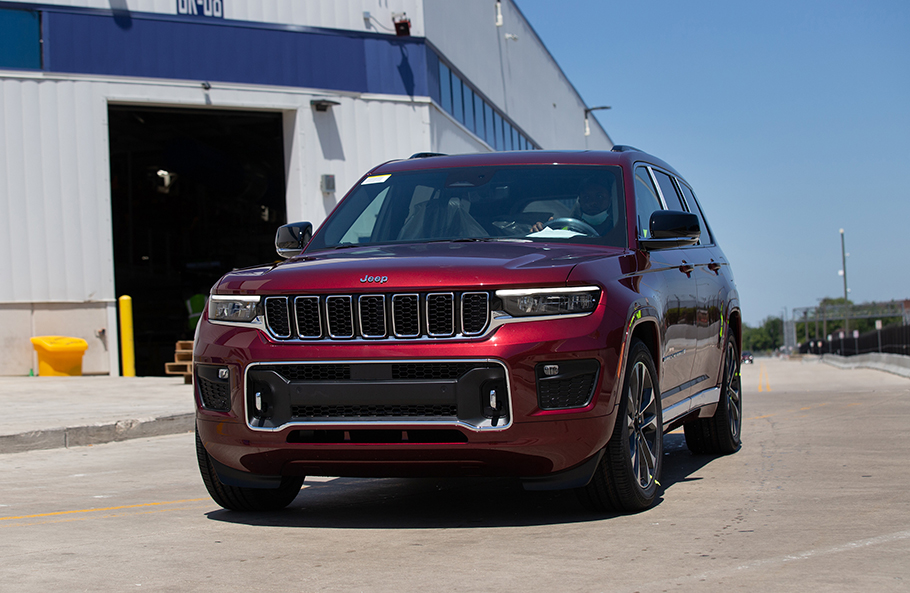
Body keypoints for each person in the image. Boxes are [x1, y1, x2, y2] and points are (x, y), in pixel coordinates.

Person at [530, 177, 618, 235]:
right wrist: (540, 231)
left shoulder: (623, 232)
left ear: (610, 200)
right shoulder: (568, 229)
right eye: (586, 197)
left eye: (599, 196)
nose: (592, 202)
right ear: (580, 201)